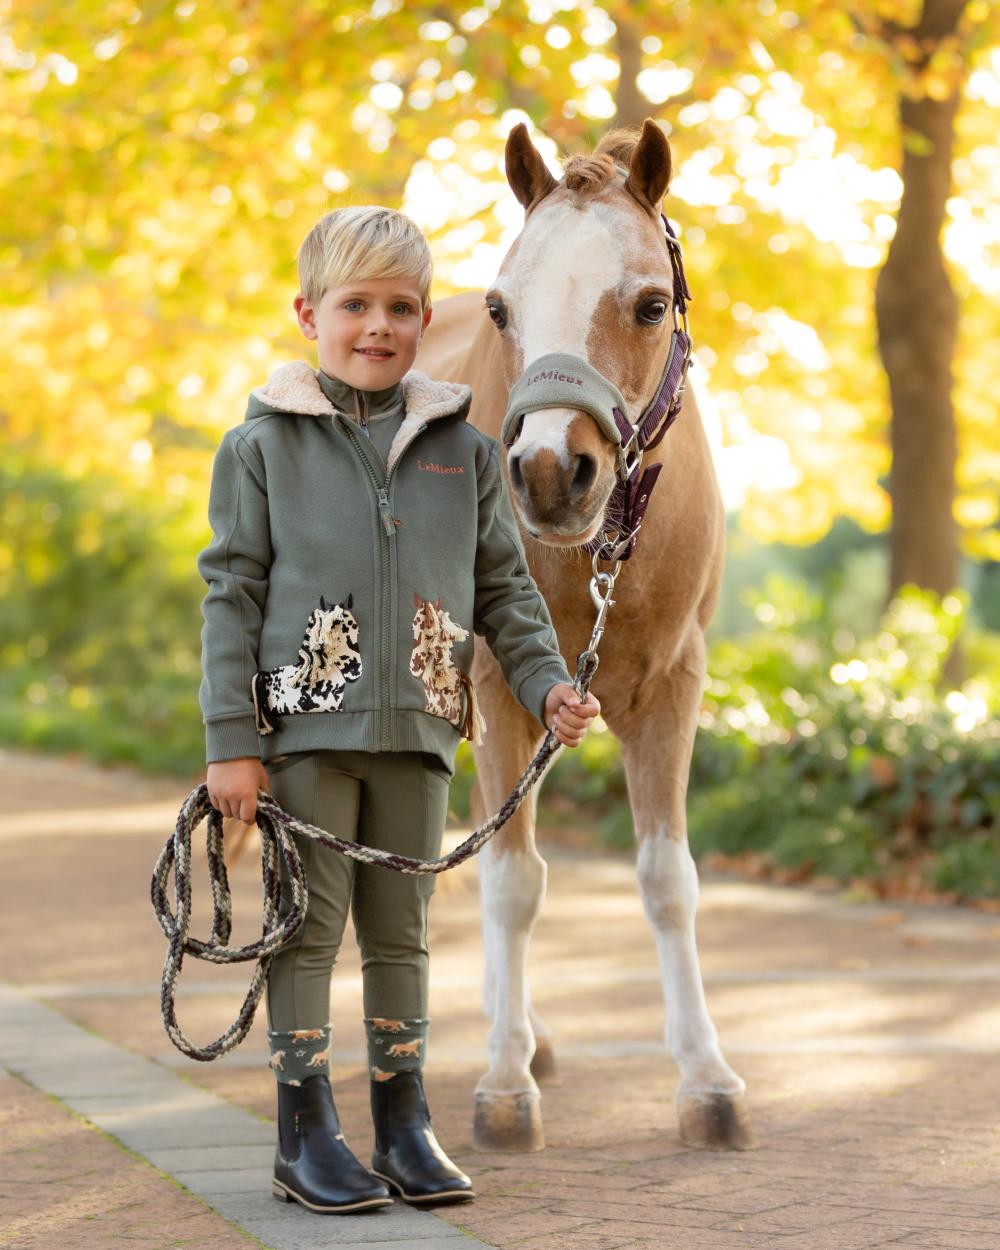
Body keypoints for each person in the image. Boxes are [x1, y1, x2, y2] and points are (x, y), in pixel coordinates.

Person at [198, 205, 600, 1216]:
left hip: (420, 730)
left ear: (428, 319)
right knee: (306, 926)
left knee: (401, 932)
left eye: (402, 308)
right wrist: (231, 746)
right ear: (308, 313)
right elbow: (231, 595)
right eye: (355, 306)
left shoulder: (462, 451)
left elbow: (504, 589)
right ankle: (304, 1130)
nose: (378, 326)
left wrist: (547, 676)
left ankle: (404, 1118)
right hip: (307, 732)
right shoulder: (261, 445)